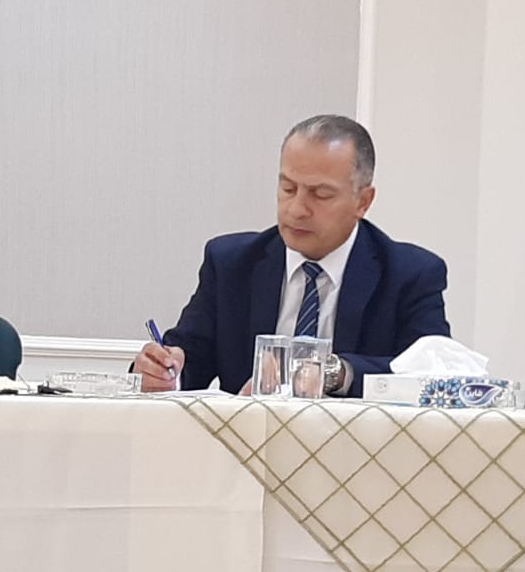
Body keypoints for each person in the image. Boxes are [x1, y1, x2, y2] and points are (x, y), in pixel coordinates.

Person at [133, 114, 449, 397]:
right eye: (288, 189)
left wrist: (335, 373)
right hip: (247, 440)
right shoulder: (231, 263)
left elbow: (431, 375)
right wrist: (159, 372)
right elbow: (188, 359)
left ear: (363, 201)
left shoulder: (411, 274)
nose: (296, 209)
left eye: (320, 195)